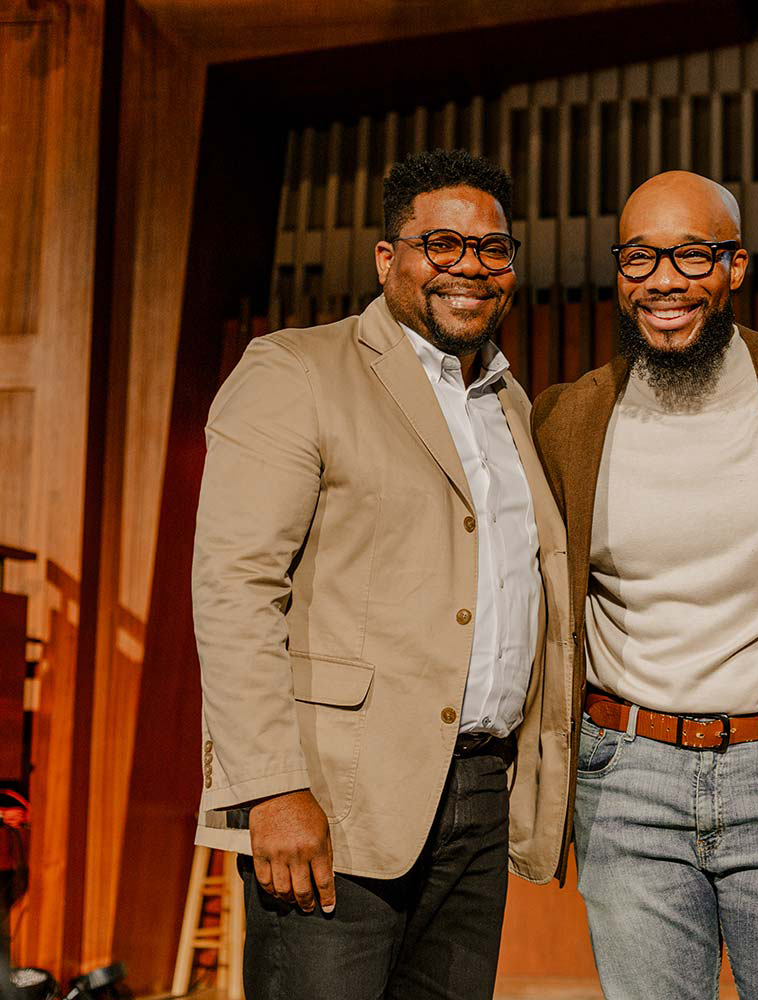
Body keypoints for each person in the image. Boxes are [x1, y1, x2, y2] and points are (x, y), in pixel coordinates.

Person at [192, 148, 574, 1000]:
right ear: (386, 258)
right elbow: (235, 589)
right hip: (335, 801)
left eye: (492, 249)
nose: (469, 268)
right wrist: (271, 790)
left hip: (478, 792)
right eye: (441, 245)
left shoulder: (511, 402)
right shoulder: (296, 370)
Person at [531, 171, 758, 1000]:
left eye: (690, 254)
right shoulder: (566, 421)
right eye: (640, 257)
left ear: (736, 265)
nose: (663, 280)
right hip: (625, 777)